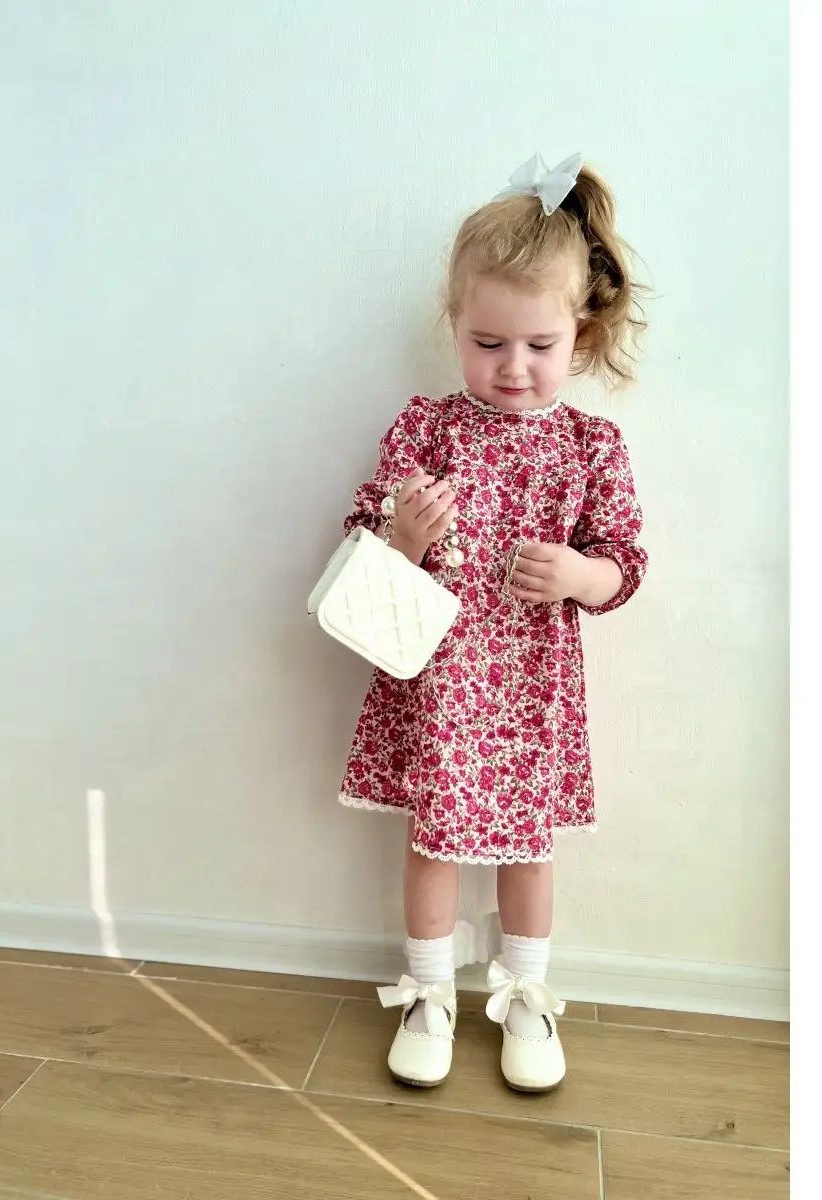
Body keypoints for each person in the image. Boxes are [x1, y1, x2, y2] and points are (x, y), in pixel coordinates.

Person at [338, 153, 648, 1093]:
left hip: (532, 692)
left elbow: (624, 565)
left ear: (579, 333)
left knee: (528, 849)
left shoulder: (590, 445)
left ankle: (524, 994)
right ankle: (429, 992)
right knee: (433, 840)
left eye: (539, 345)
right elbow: (360, 545)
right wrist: (402, 536)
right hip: (439, 681)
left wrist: (581, 574)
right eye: (487, 342)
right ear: (455, 327)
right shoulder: (427, 429)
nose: (512, 367)